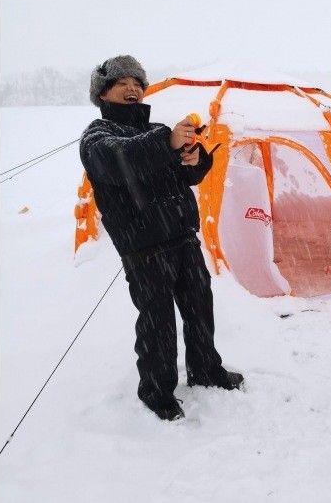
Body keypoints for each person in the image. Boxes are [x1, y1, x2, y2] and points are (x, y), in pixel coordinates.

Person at [79, 55, 244, 422]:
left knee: (200, 310)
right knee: (158, 322)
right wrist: (166, 142)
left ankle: (206, 369)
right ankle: (157, 390)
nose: (132, 88)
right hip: (144, 248)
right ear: (103, 94)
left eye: (137, 82)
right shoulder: (98, 137)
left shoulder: (156, 130)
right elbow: (122, 161)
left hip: (184, 239)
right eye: (122, 83)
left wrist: (194, 160)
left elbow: (186, 178)